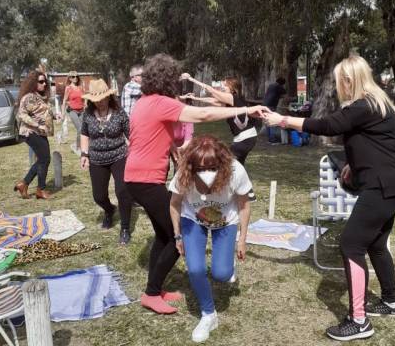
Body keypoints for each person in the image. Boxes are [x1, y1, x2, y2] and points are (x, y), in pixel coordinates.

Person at [264, 54, 395, 342]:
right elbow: (384, 143)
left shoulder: (364, 105)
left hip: (384, 186)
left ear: (349, 80)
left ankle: (359, 322)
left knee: (350, 244)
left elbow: (327, 126)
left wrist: (282, 119)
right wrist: (352, 161)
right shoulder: (380, 103)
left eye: (338, 82)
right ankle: (392, 302)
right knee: (376, 242)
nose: (337, 88)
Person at [123, 53, 268, 315]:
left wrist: (173, 151)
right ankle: (152, 293)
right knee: (178, 240)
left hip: (135, 177)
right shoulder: (160, 102)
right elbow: (201, 115)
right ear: (167, 80)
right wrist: (245, 109)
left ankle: (155, 288)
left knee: (162, 235)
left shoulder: (144, 103)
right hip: (145, 179)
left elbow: (154, 136)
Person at [169, 135, 251, 343]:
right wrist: (178, 235)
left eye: (212, 167)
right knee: (195, 269)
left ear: (221, 163)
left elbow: (244, 205)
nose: (206, 173)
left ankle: (226, 266)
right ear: (192, 165)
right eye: (200, 168)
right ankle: (208, 315)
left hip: (226, 222)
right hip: (192, 219)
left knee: (222, 274)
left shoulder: (235, 171)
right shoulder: (183, 173)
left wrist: (242, 239)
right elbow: (175, 204)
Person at [80, 79, 133, 245]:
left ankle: (125, 227)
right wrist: (84, 154)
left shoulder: (119, 113)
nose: (100, 103)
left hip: (119, 156)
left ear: (109, 97)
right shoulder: (88, 114)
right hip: (97, 158)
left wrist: (135, 152)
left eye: (103, 99)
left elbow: (130, 134)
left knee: (123, 191)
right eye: (96, 100)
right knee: (98, 196)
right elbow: (84, 134)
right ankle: (109, 210)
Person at [14, 70, 54, 200]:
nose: (44, 84)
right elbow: (22, 114)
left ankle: (24, 184)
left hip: (40, 132)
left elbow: (41, 112)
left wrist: (54, 115)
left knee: (43, 159)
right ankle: (40, 190)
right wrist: (36, 125)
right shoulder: (29, 97)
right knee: (45, 159)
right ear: (33, 83)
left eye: (45, 82)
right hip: (31, 132)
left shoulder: (39, 96)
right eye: (41, 82)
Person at [61, 71, 84, 152]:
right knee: (80, 129)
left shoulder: (80, 87)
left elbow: (84, 98)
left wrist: (86, 105)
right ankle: (79, 147)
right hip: (72, 111)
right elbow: (64, 101)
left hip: (81, 110)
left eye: (76, 76)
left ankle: (81, 145)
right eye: (73, 77)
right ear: (70, 78)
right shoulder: (68, 88)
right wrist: (63, 113)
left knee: (84, 129)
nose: (75, 78)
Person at [263, 77, 286, 144]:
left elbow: (274, 94)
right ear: (282, 83)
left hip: (265, 105)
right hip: (271, 106)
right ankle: (273, 140)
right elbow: (284, 92)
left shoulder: (271, 85)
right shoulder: (278, 86)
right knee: (272, 122)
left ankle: (269, 139)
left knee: (267, 122)